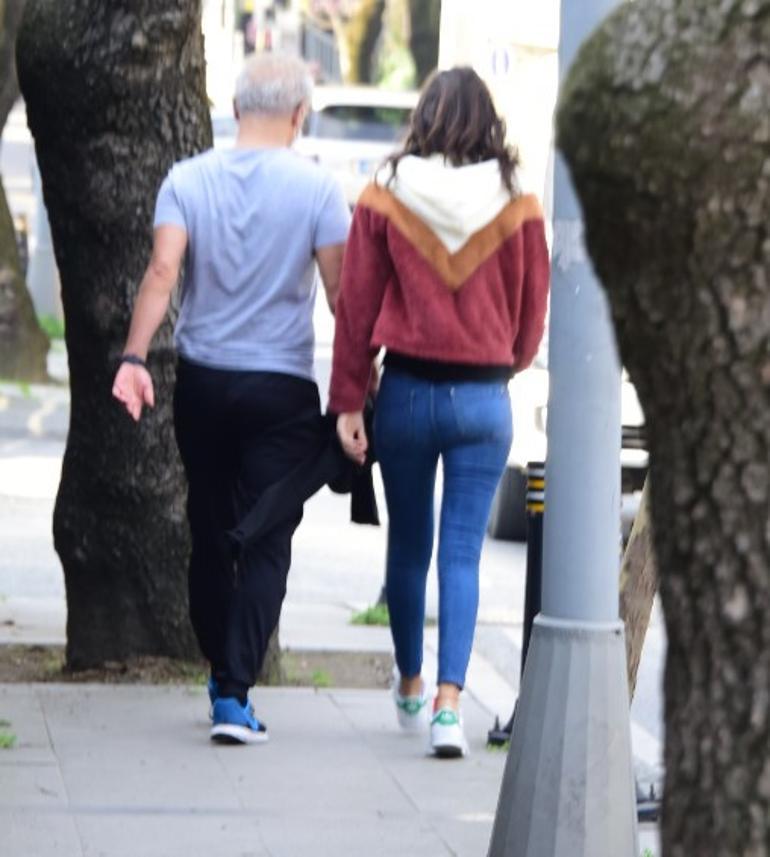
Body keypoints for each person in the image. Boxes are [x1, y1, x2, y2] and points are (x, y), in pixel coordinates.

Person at [112, 54, 349, 745]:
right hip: (282, 388)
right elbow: (343, 297)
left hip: (205, 382)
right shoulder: (319, 188)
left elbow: (163, 269)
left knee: (211, 528)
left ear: (237, 108)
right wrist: (357, 388)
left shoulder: (187, 179)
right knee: (267, 538)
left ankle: (221, 673)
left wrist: (133, 356)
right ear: (300, 115)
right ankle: (234, 693)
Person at [329, 67, 550, 758]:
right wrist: (505, 363)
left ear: (423, 117)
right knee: (462, 552)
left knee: (408, 546)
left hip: (408, 392)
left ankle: (411, 682)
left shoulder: (387, 192)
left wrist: (348, 399)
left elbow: (356, 306)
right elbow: (533, 311)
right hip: (483, 398)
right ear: (490, 122)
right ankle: (450, 708)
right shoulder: (518, 201)